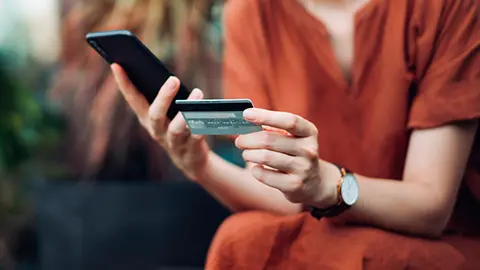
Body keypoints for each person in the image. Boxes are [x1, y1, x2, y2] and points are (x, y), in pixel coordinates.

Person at [110, 0, 480, 268]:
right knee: (242, 239)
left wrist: (328, 184)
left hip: (438, 241)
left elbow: (431, 208)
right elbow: (287, 198)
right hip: (322, 231)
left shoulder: (450, 7)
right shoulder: (251, 13)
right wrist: (200, 165)